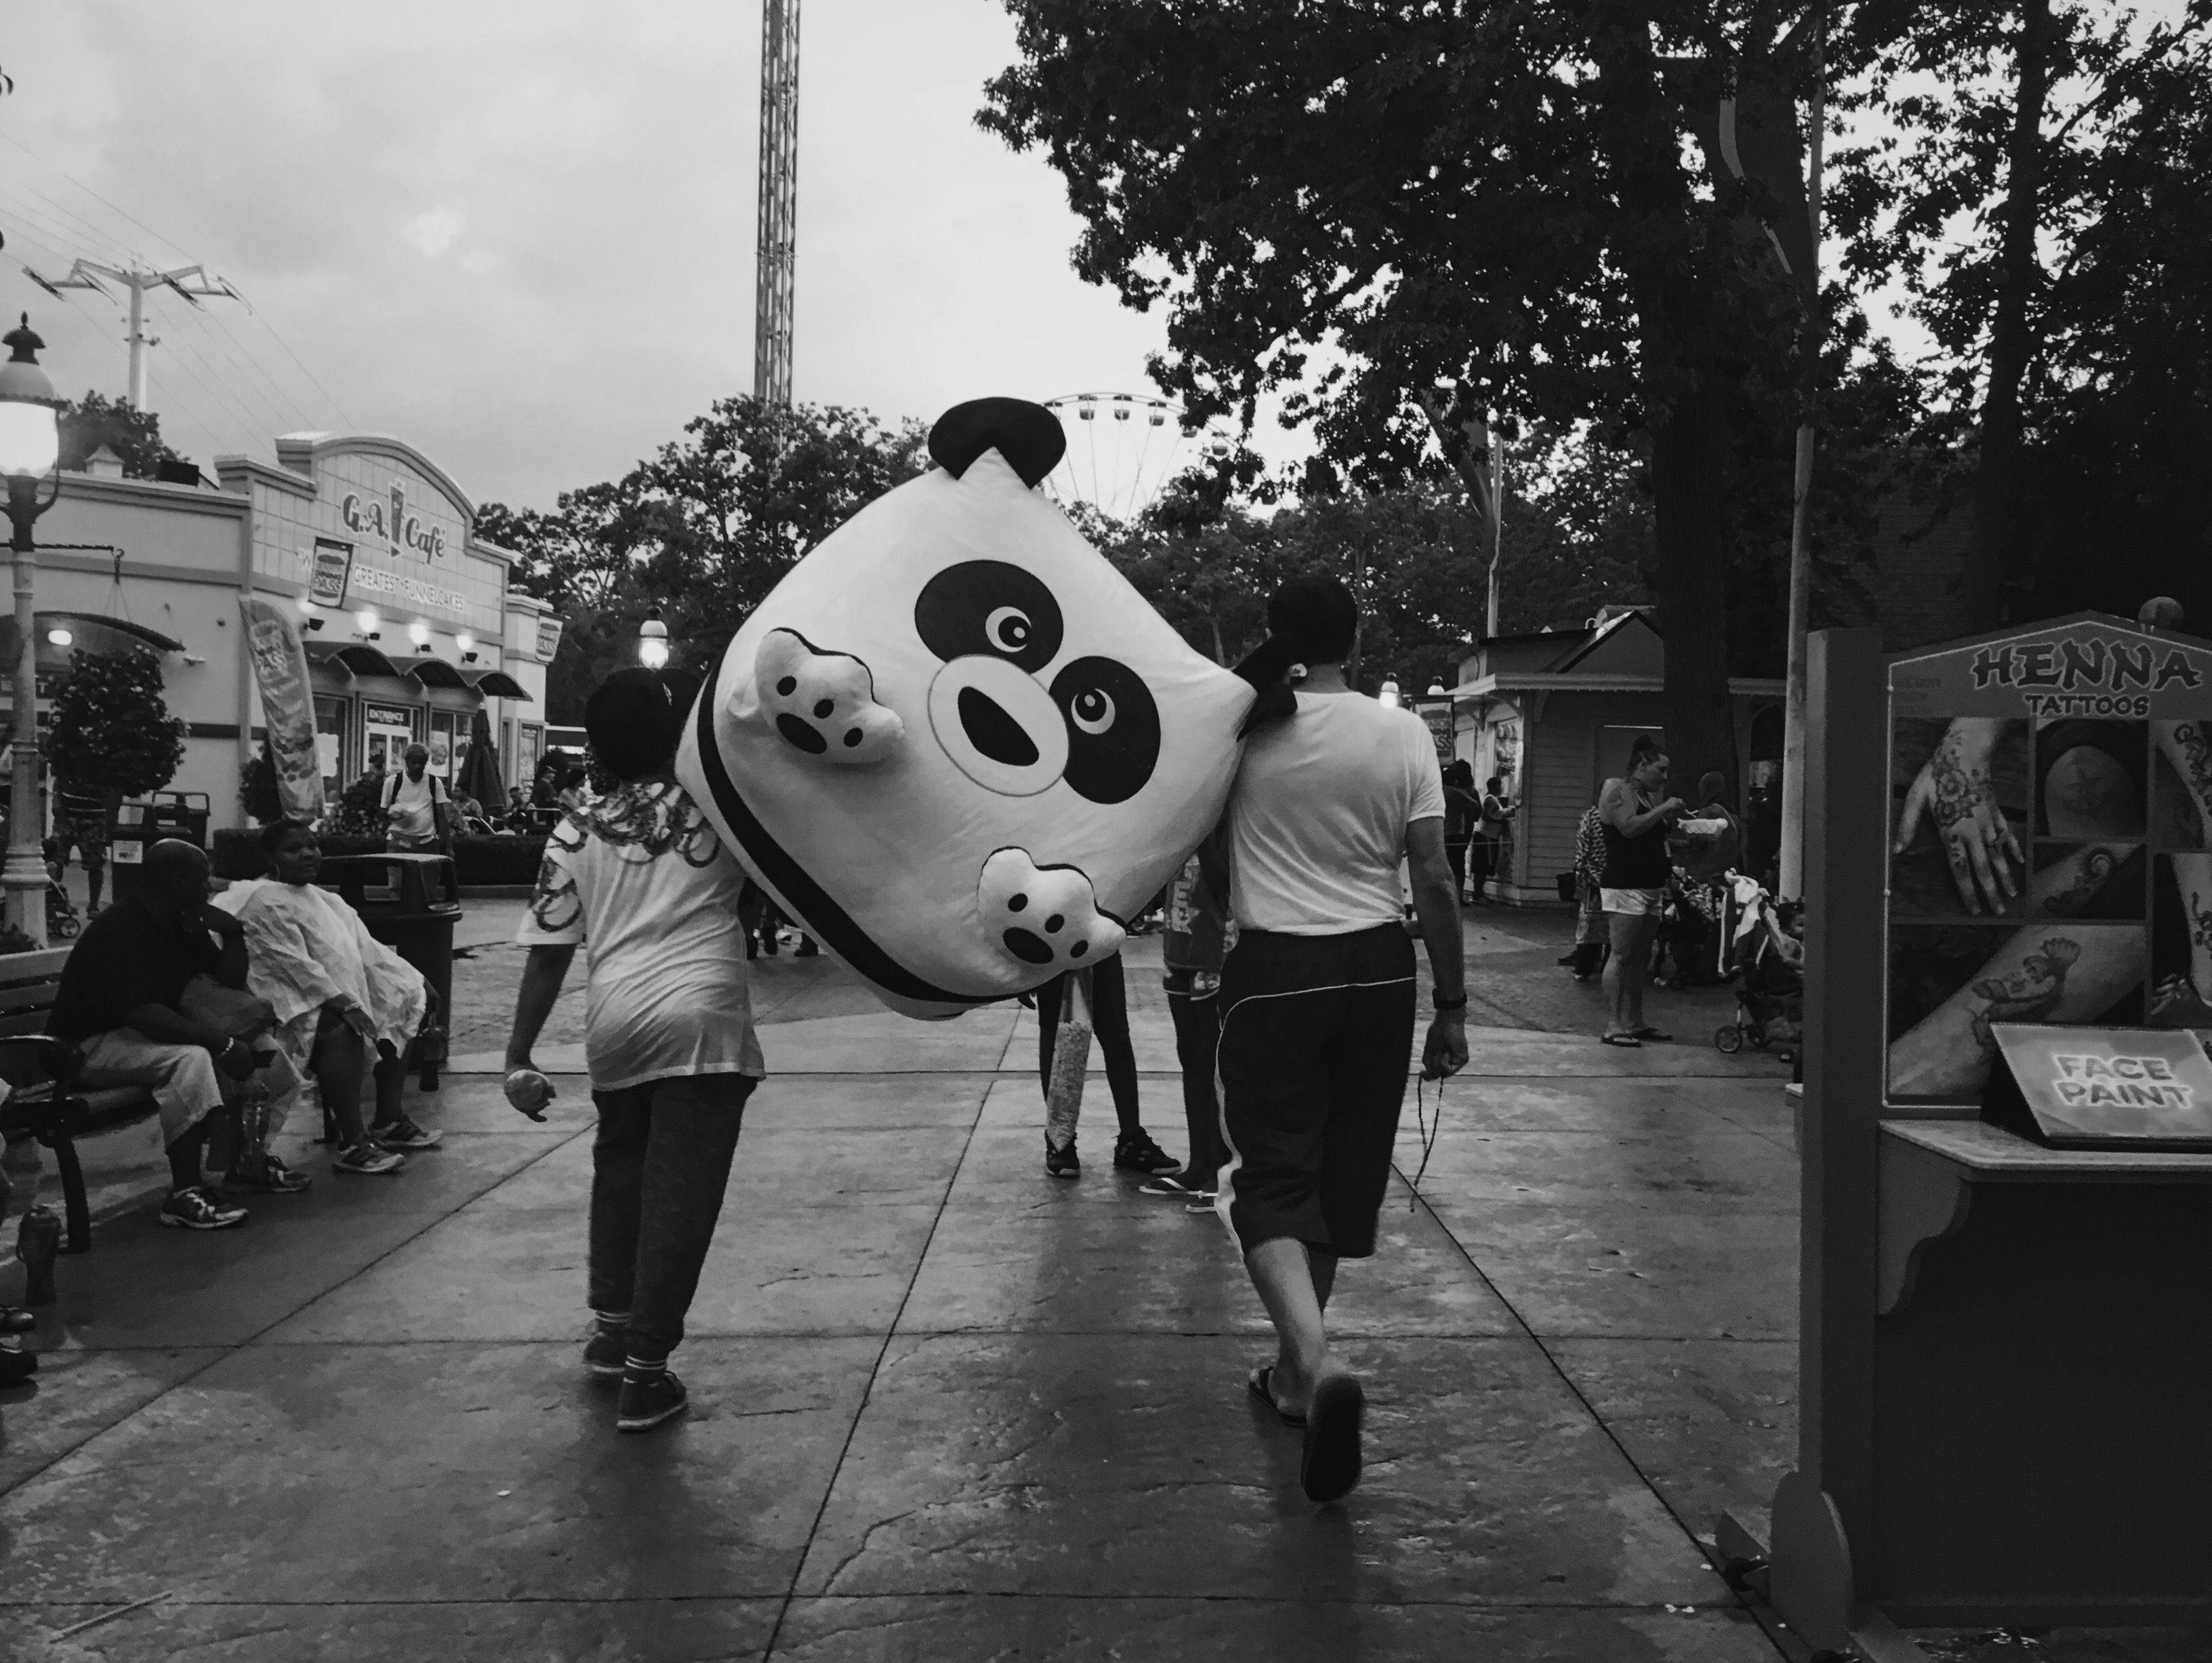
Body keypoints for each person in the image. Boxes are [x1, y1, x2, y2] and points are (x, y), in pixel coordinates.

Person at [1213, 575, 1468, 1504]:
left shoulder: (1240, 729)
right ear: (1355, 642)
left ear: (1273, 633)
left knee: (1271, 1177)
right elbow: (1433, 875)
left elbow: (1197, 848)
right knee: (1334, 1178)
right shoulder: (1402, 735)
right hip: (1378, 973)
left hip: (1276, 971)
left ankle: (1316, 1365)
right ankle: (1294, 1378)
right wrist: (1453, 1002)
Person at [504, 668, 763, 1435]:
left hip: (613, 1025)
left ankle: (612, 1331)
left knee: (621, 1176)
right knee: (682, 1193)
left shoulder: (574, 828)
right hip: (702, 1023)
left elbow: (548, 950)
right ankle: (647, 1374)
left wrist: (518, 1056)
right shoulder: (722, 811)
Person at [46, 840, 261, 1230]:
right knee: (190, 1059)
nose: (209, 887)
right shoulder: (120, 928)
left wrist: (232, 932)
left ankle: (249, 1163)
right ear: (178, 881)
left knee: (258, 1045)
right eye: (202, 879)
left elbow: (226, 980)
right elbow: (142, 1012)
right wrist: (220, 1043)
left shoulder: (181, 922)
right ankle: (185, 1192)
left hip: (132, 1036)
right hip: (83, 1048)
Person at [214, 821, 440, 1176]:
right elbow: (289, 966)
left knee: (405, 995)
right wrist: (343, 1003)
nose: (307, 854)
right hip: (284, 1003)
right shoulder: (259, 900)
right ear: (270, 857)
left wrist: (416, 979)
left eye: (312, 845)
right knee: (341, 1028)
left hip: (327, 994)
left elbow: (368, 949)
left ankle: (389, 1120)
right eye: (294, 849)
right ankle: (354, 1142)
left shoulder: (326, 899)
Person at [1036, 952, 1178, 1178]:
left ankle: (1130, 1138)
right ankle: (1059, 1138)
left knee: (1116, 1035)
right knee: (1056, 1035)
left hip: (1099, 946)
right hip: (1054, 952)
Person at [1147, 852, 1231, 1205]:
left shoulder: (1216, 825)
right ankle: (1199, 1164)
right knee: (1191, 1057)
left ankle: (1221, 1170)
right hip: (1179, 941)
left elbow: (1221, 876)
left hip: (1215, 947)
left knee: (1215, 1062)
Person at [1598, 736, 1685, 1046]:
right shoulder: (1617, 789)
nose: (1665, 777)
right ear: (1642, 765)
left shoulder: (1645, 797)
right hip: (1626, 886)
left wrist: (1687, 842)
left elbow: (1650, 839)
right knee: (1621, 954)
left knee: (1640, 956)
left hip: (1651, 886)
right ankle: (1613, 1024)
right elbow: (1629, 828)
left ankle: (1635, 1021)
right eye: (1660, 770)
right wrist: (1664, 809)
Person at [1558, 802, 1610, 981]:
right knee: (1615, 926)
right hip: (1619, 878)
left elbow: (1583, 847)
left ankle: (1584, 966)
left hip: (1593, 877)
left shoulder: (1592, 817)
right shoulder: (1627, 817)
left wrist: (1580, 871)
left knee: (1588, 925)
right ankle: (1609, 968)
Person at [52, 774, 109, 916]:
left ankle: (93, 907)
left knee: (96, 863)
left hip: (94, 818)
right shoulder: (68, 762)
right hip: (65, 816)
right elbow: (59, 777)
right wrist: (56, 804)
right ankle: (54, 902)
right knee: (56, 859)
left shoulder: (104, 765)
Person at [382, 744, 452, 853]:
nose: (418, 766)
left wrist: (448, 847)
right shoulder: (392, 782)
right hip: (398, 841)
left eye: (421, 763)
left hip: (427, 842)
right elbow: (383, 811)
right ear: (406, 761)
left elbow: (441, 815)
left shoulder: (434, 783)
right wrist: (395, 814)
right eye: (414, 762)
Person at [1440, 761, 1481, 905]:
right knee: (1458, 864)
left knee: (1445, 864)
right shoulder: (1463, 792)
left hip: (1441, 830)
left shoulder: (1438, 791)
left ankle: (1446, 895)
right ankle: (1458, 896)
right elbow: (1476, 807)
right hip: (1459, 831)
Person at [1477, 775, 1519, 901]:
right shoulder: (1490, 799)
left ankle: (1479, 892)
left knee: (1484, 866)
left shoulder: (1492, 799)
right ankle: (1478, 893)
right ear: (1496, 786)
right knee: (1482, 866)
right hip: (1486, 836)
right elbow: (1489, 815)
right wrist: (1507, 813)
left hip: (1489, 836)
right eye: (1500, 785)